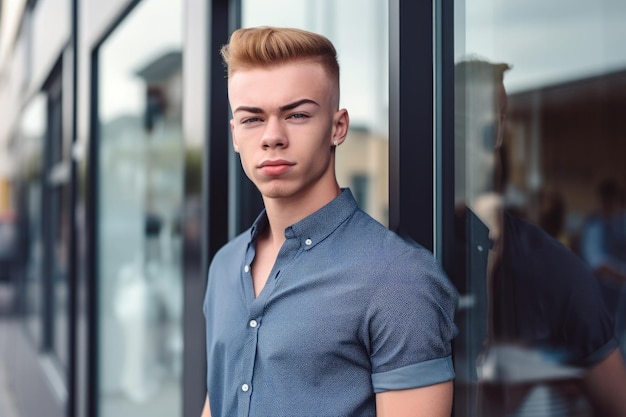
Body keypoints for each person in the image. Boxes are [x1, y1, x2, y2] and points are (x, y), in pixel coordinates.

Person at [200, 26, 458, 417]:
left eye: (297, 114)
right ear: (235, 135)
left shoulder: (399, 279)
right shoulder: (225, 265)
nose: (272, 136)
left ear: (338, 127)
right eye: (252, 120)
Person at [454, 59, 626, 416]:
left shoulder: (554, 271)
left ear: (499, 132)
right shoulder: (402, 256)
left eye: (482, 134)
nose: (465, 153)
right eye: (456, 132)